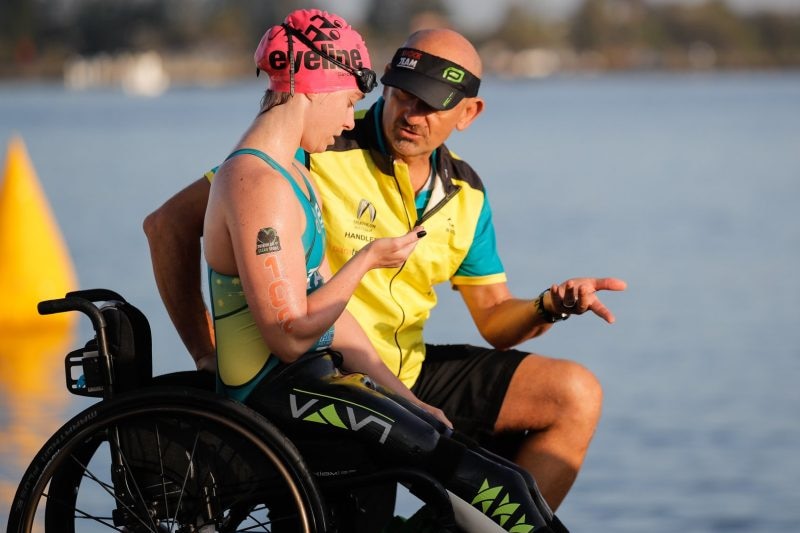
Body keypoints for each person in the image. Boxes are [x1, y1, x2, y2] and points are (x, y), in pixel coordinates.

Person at [144, 25, 626, 511]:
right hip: (324, 371)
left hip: (404, 370)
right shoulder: (311, 145)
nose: (409, 113)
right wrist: (207, 354)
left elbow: (495, 321)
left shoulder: (467, 194)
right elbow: (167, 227)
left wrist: (550, 306)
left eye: (430, 103)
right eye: (402, 94)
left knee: (574, 394)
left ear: (468, 113)